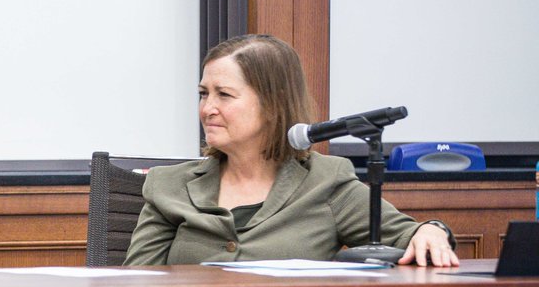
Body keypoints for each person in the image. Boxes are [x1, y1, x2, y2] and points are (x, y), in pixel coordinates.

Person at [124, 34, 459, 268]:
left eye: (223, 95)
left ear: (273, 104)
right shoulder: (169, 186)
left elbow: (408, 233)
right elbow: (135, 284)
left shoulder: (326, 182)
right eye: (203, 94)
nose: (207, 108)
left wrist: (431, 229)